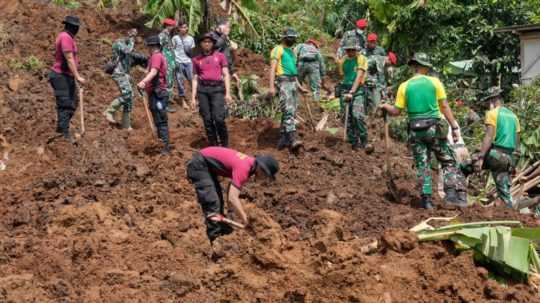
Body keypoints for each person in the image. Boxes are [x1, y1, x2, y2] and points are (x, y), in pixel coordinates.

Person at [380, 52, 467, 209]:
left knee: (423, 164)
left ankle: (426, 200)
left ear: (414, 66)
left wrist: (385, 106)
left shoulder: (404, 86)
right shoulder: (434, 82)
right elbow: (444, 106)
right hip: (434, 128)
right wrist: (454, 126)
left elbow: (396, 111)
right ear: (425, 67)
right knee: (448, 161)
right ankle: (451, 195)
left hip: (415, 131)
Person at [186, 146, 279, 258]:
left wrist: (231, 211)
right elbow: (233, 197)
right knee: (212, 204)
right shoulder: (245, 168)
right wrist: (245, 220)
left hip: (207, 167)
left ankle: (226, 236)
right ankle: (217, 249)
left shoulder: (249, 164)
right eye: (266, 176)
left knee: (218, 203)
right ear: (262, 169)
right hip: (199, 165)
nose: (265, 179)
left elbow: (231, 190)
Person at [473, 87, 520, 208]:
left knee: (467, 164)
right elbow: (517, 144)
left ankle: (457, 195)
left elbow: (489, 137)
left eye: (487, 101)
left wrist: (481, 157)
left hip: (496, 156)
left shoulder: (492, 113)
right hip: (509, 158)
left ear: (492, 100)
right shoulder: (514, 116)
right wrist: (514, 165)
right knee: (503, 188)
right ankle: (509, 209)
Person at [48, 15, 85, 143]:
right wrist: (78, 76)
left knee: (72, 103)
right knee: (65, 105)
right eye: (76, 27)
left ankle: (61, 130)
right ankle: (63, 135)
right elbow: (69, 58)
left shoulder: (66, 37)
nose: (77, 30)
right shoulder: (65, 37)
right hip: (60, 75)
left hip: (65, 76)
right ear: (72, 27)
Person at [191, 33, 232, 147]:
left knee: (218, 118)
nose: (207, 44)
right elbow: (194, 78)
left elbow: (226, 74)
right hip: (203, 90)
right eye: (204, 42)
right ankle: (213, 144)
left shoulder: (220, 56)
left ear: (213, 44)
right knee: (207, 119)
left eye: (209, 42)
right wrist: (193, 97)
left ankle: (224, 144)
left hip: (217, 89)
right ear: (201, 44)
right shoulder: (196, 59)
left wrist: (228, 93)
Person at [269, 28, 303, 151]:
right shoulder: (277, 49)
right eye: (290, 37)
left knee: (292, 111)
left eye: (293, 38)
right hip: (283, 82)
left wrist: (299, 86)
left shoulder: (291, 52)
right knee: (288, 110)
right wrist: (272, 86)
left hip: (293, 82)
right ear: (283, 38)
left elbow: (293, 71)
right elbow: (272, 68)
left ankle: (283, 138)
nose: (292, 40)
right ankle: (293, 138)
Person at [137, 35, 171, 155]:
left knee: (161, 121)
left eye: (148, 46)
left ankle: (165, 147)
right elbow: (149, 71)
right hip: (154, 92)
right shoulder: (153, 57)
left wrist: (143, 82)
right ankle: (161, 144)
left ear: (152, 46)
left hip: (159, 93)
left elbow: (154, 72)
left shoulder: (156, 56)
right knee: (157, 120)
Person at [103, 28, 138, 129]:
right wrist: (131, 40)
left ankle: (126, 124)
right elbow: (127, 51)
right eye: (131, 33)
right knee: (128, 94)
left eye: (134, 35)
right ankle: (109, 112)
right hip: (118, 73)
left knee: (129, 98)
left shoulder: (128, 44)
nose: (132, 36)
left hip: (124, 73)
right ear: (126, 33)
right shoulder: (118, 43)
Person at [337, 39, 369, 150]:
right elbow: (343, 76)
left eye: (352, 50)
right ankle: (353, 141)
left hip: (357, 90)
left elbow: (359, 76)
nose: (350, 52)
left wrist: (352, 92)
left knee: (357, 115)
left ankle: (364, 140)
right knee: (345, 116)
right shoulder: (343, 60)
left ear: (356, 49)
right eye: (348, 50)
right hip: (345, 89)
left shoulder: (362, 59)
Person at [172, 20, 195, 110]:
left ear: (187, 28)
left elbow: (192, 52)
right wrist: (174, 61)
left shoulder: (191, 39)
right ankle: (183, 100)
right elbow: (172, 50)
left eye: (185, 27)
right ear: (179, 28)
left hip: (188, 62)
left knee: (191, 80)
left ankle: (193, 98)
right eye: (182, 27)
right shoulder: (175, 38)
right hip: (178, 62)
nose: (184, 29)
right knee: (179, 81)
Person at [363, 33, 387, 114]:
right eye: (370, 42)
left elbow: (383, 66)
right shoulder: (363, 51)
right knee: (366, 100)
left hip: (377, 79)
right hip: (365, 78)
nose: (372, 44)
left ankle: (375, 117)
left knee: (376, 100)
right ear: (367, 42)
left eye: (374, 42)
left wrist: (383, 83)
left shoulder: (380, 51)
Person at [159, 18, 177, 112]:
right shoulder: (162, 35)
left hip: (170, 62)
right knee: (167, 82)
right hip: (166, 62)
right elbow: (159, 48)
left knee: (170, 82)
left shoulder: (167, 35)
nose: (173, 28)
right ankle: (164, 105)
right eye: (172, 26)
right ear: (168, 26)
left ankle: (166, 102)